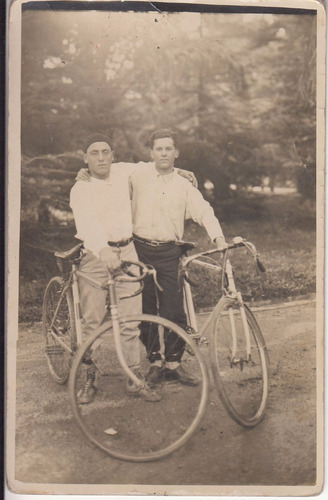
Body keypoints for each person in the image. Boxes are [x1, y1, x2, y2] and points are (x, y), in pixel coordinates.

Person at [70, 133, 162, 404]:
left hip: (128, 251)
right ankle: (89, 377)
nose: (101, 157)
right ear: (85, 158)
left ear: (113, 155)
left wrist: (181, 170)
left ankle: (134, 378)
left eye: (105, 152)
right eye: (94, 153)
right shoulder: (80, 188)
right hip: (96, 256)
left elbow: (152, 165)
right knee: (92, 322)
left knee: (131, 321)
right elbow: (86, 225)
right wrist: (104, 249)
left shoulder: (123, 172)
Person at [130, 129, 226, 386]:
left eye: (168, 149)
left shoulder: (184, 185)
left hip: (169, 253)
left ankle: (174, 363)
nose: (163, 153)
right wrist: (83, 174)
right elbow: (107, 171)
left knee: (173, 310)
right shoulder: (137, 174)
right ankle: (154, 362)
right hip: (139, 251)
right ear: (151, 153)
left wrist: (218, 237)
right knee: (146, 309)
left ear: (176, 152)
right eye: (159, 149)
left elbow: (204, 210)